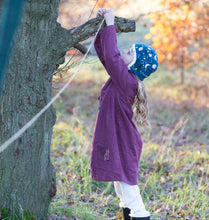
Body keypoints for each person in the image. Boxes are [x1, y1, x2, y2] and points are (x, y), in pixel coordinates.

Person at [90, 8, 158, 220]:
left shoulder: (126, 82)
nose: (123, 53)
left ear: (134, 65)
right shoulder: (121, 78)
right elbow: (105, 54)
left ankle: (140, 215)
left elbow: (112, 55)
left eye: (129, 53)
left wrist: (111, 24)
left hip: (124, 139)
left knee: (127, 183)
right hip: (118, 135)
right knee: (118, 181)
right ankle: (128, 215)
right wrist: (102, 27)